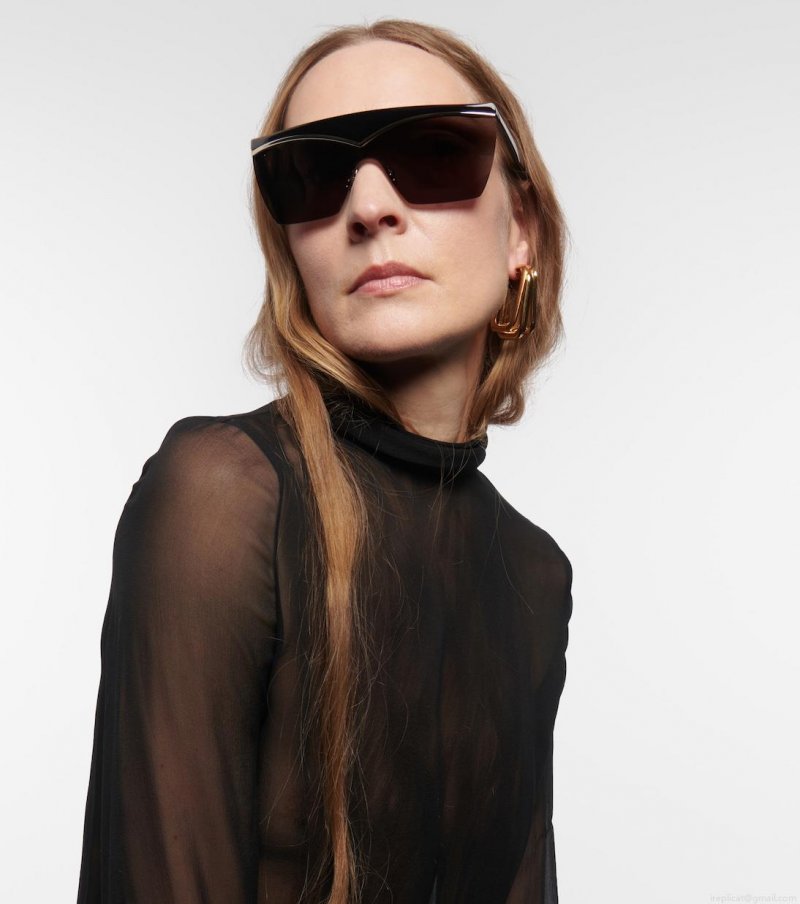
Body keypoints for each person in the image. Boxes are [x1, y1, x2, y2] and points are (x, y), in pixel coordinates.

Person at [76, 18, 574, 904]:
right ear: (290, 248)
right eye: (310, 173)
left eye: (433, 154)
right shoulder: (223, 497)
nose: (370, 206)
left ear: (521, 232)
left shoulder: (534, 574)